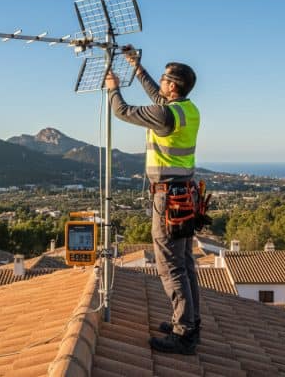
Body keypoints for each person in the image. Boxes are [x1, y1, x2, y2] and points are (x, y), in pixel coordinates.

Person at [105, 47, 201, 355]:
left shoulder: (164, 115)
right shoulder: (187, 109)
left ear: (173, 86)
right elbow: (158, 100)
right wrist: (137, 66)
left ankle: (184, 334)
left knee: (171, 267)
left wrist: (113, 89)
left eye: (163, 80)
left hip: (168, 199)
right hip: (185, 194)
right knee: (185, 263)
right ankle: (189, 322)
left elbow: (122, 111)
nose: (159, 84)